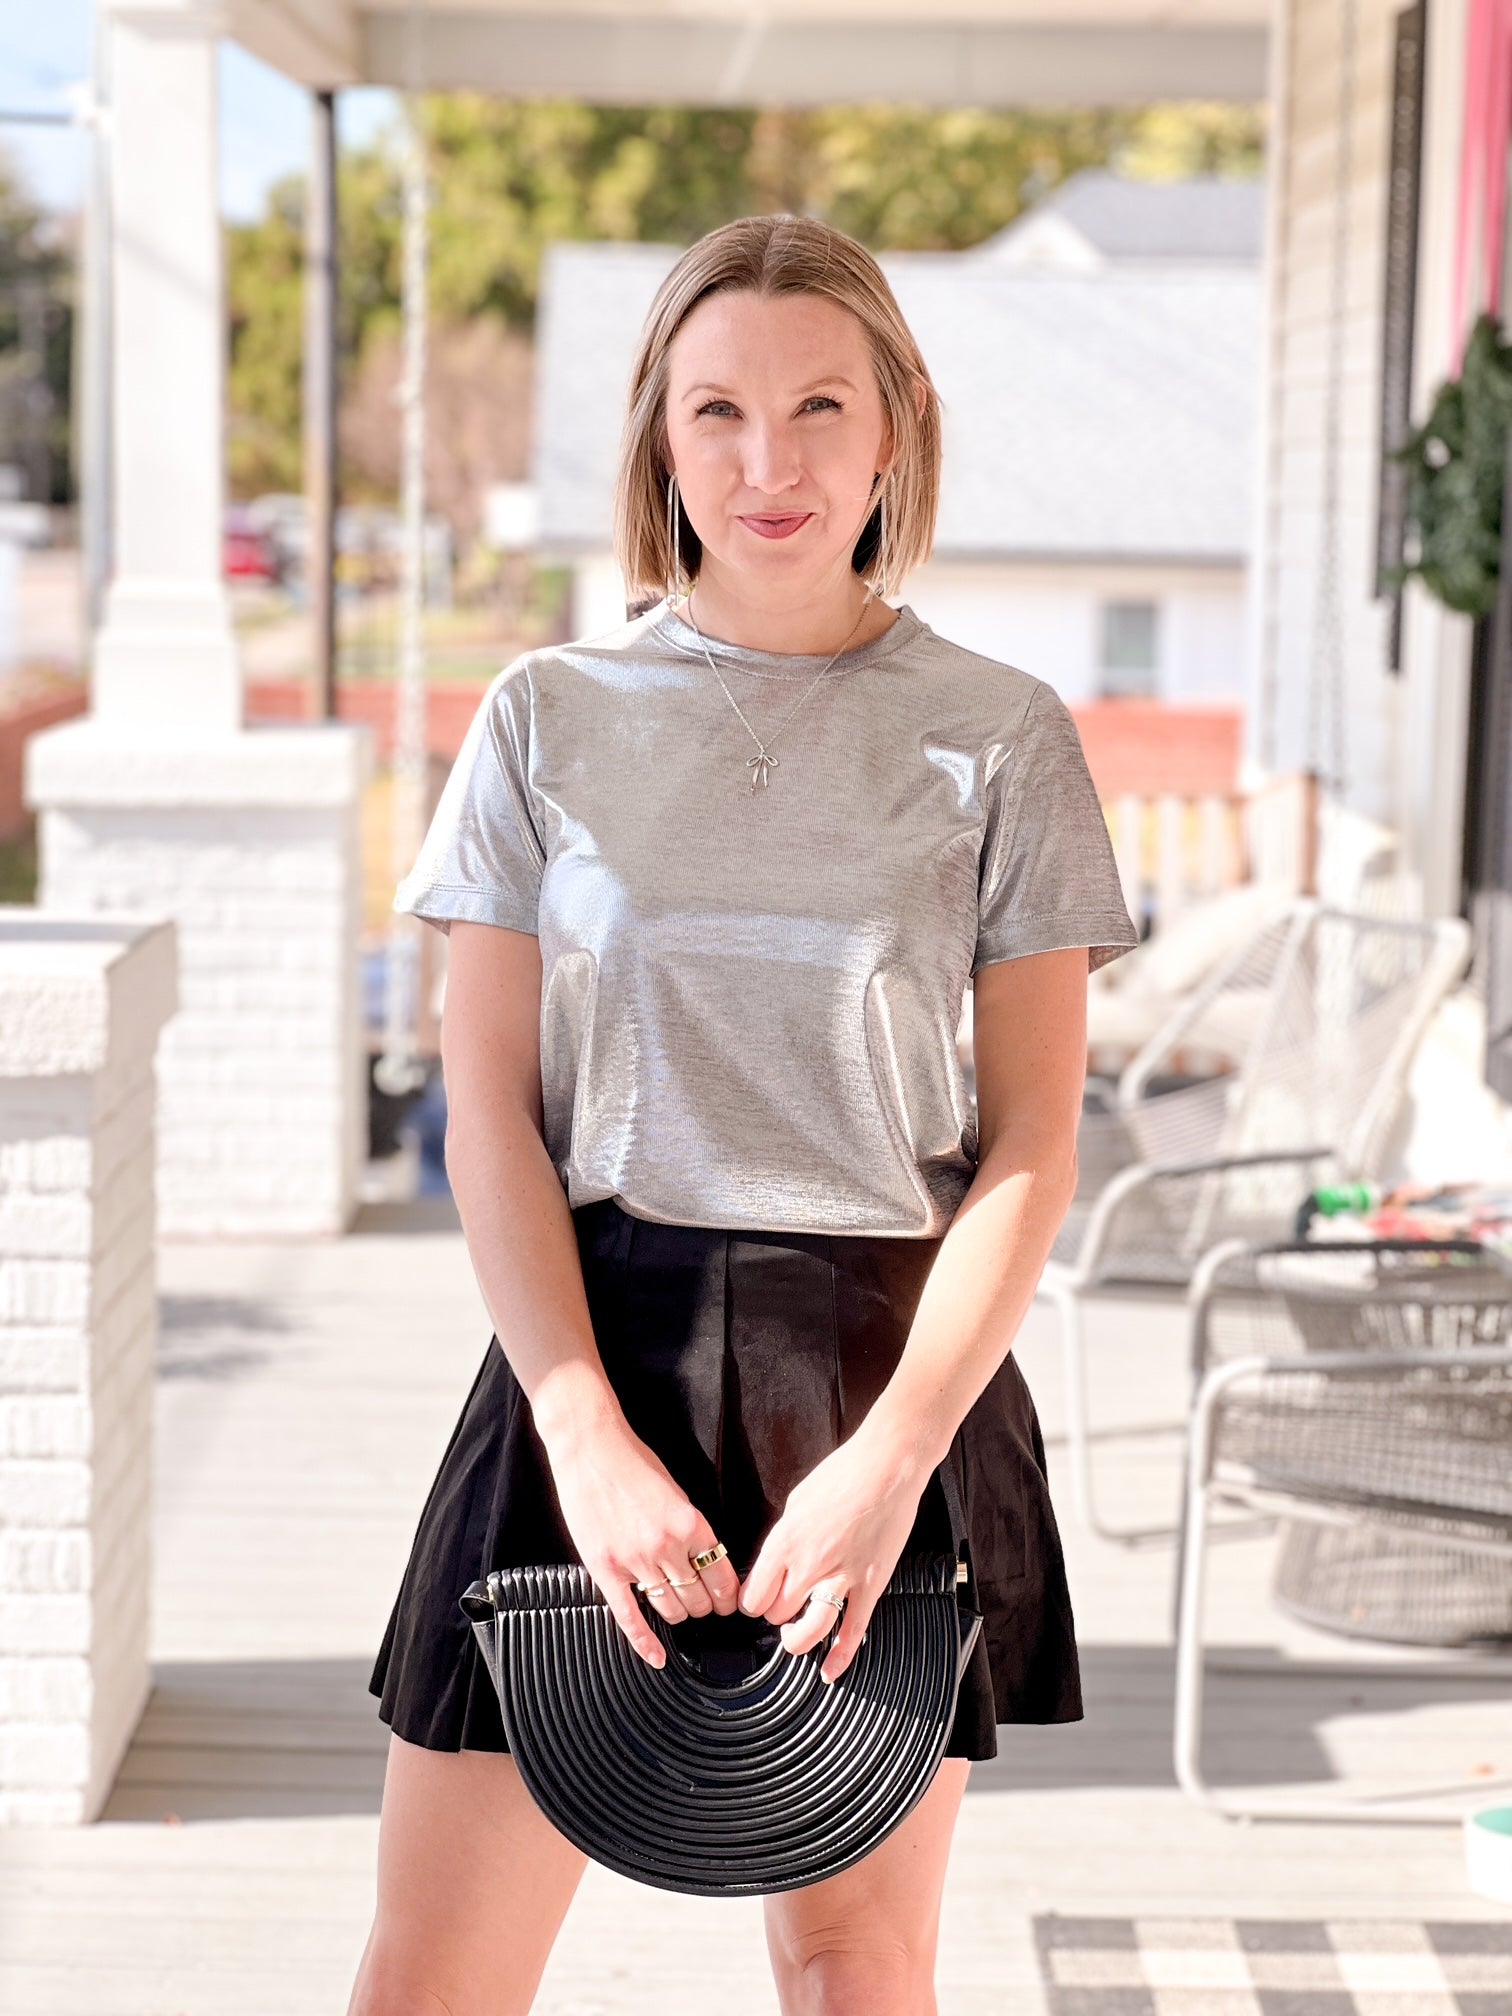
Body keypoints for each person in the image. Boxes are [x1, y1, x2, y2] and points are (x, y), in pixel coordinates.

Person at [348, 212, 1138, 2016]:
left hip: (878, 1376)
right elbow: (487, 1113)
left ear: (895, 427)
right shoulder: (545, 716)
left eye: (816, 407)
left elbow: (1029, 1148)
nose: (767, 465)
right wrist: (583, 1436)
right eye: (717, 412)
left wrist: (899, 1458)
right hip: (584, 1366)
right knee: (430, 1977)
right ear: (657, 435)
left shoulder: (1002, 735)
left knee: (856, 1965)